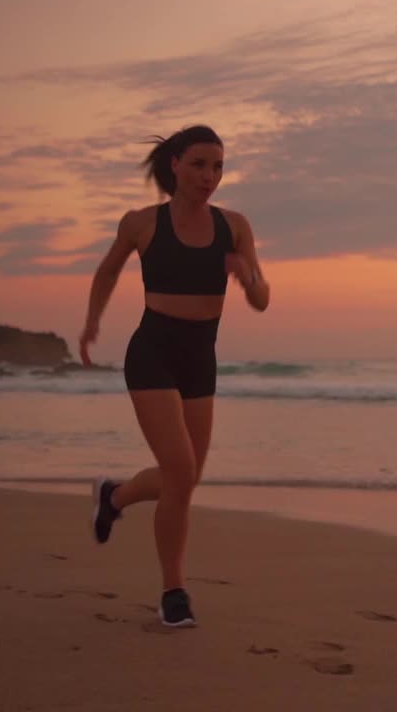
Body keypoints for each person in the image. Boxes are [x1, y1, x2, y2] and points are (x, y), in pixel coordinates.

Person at [79, 125, 269, 627]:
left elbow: (262, 299)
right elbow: (107, 271)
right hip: (153, 352)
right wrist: (93, 320)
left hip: (200, 357)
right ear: (176, 166)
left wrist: (248, 277)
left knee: (184, 481)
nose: (210, 176)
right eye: (201, 165)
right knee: (181, 471)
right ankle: (173, 592)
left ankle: (113, 497)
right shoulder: (141, 223)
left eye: (219, 167)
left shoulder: (235, 227)